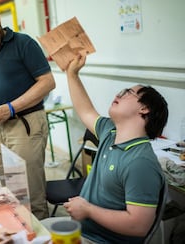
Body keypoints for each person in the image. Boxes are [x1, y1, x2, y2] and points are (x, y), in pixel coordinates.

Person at [63, 53, 169, 243]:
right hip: (83, 231)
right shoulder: (109, 131)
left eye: (129, 92)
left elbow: (138, 225)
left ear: (144, 109)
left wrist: (88, 210)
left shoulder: (140, 162)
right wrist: (72, 74)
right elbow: (85, 110)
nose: (119, 94)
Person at [0, 1, 56, 219]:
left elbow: (47, 82)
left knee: (30, 193)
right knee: (12, 191)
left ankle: (41, 234)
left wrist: (11, 108)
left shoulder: (23, 43)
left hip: (24, 125)